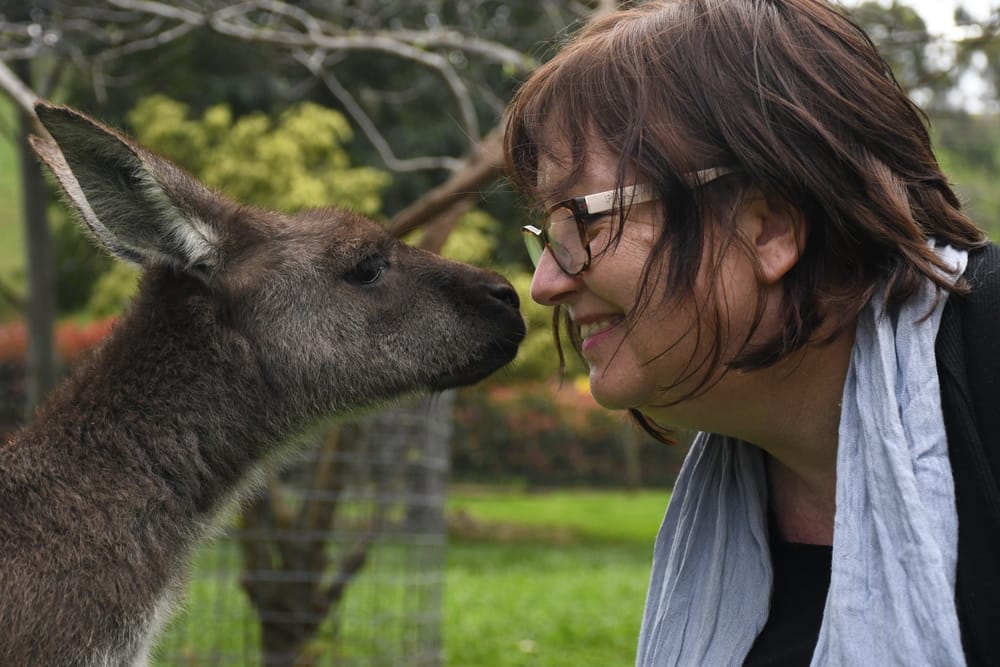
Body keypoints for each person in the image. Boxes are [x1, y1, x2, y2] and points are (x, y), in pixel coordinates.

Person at [502, 1, 1000, 665]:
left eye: (582, 224)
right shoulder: (742, 485)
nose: (545, 285)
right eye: (550, 234)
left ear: (768, 227)